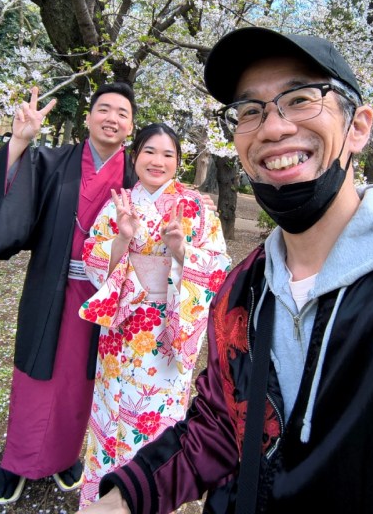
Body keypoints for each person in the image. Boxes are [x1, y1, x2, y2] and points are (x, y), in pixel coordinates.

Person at [77, 27, 373, 514]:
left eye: (302, 99)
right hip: (125, 338)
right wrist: (125, 497)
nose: (272, 128)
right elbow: (223, 423)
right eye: (250, 111)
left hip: (162, 337)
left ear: (358, 127)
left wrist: (181, 253)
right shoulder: (243, 289)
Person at [0, 82, 138, 504]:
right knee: (36, 375)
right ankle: (17, 461)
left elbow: (166, 209)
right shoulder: (52, 161)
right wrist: (19, 142)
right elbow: (9, 192)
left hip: (104, 295)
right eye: (104, 109)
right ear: (88, 117)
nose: (112, 118)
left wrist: (195, 206)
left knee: (82, 381)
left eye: (122, 113)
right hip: (51, 284)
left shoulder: (136, 178)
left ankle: (66, 455)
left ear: (130, 127)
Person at [77, 123, 231, 507]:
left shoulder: (195, 207)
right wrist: (123, 238)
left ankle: (144, 497)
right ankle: (102, 501)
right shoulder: (119, 204)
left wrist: (181, 250)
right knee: (111, 411)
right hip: (121, 327)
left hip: (167, 330)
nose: (157, 161)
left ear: (178, 162)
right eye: (149, 151)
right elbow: (93, 258)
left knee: (154, 418)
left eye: (167, 154)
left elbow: (217, 268)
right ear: (135, 156)